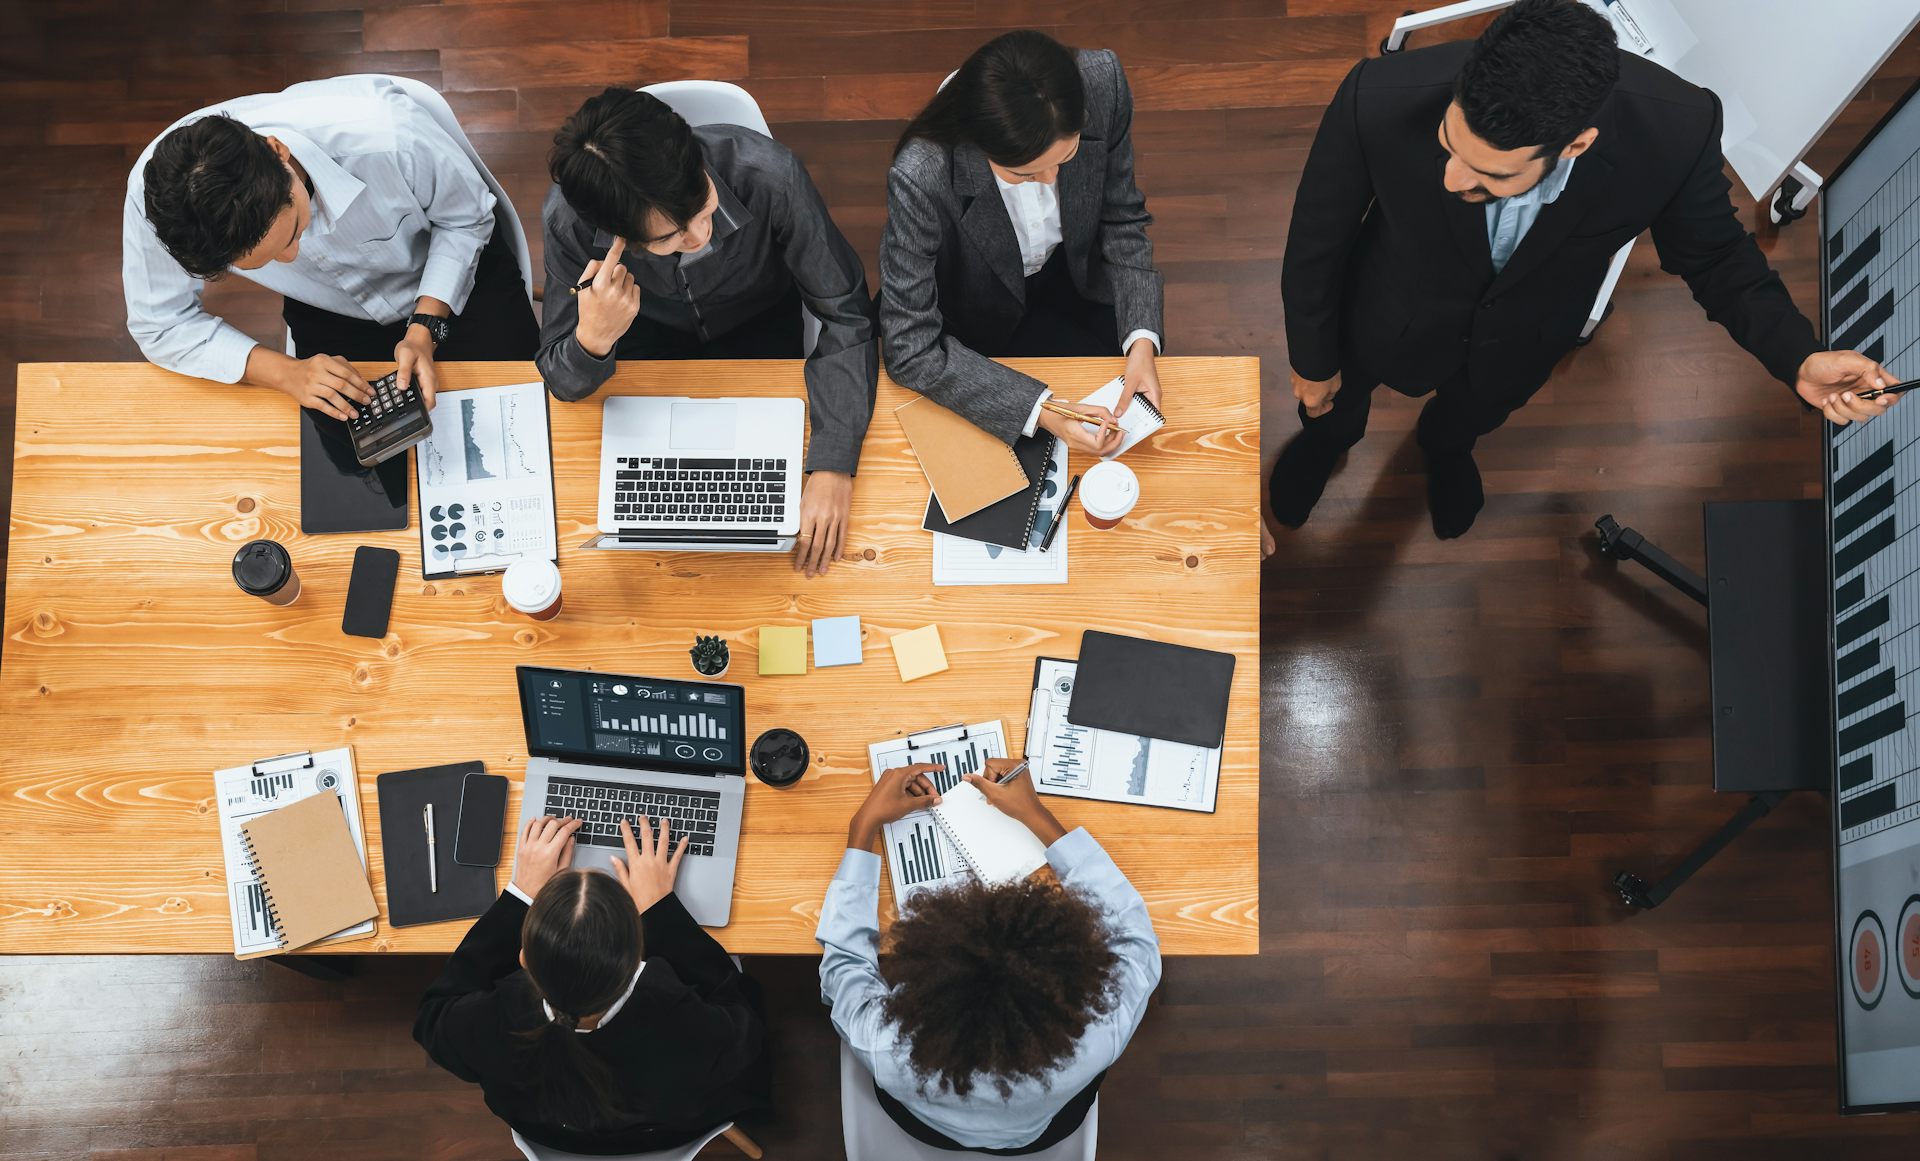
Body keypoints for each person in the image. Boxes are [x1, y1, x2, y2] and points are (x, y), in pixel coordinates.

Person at [1269, 0, 1897, 545]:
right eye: (1450, 144)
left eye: (1491, 174)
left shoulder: (1679, 130)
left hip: (1524, 338)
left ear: (1575, 144)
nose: (1453, 178)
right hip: (1387, 311)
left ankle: (1445, 447)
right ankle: (1327, 443)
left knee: (1468, 417)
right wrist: (1313, 363)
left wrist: (1797, 356)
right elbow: (1317, 241)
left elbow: (1714, 255)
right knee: (1333, 406)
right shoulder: (1377, 95)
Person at [539, 88, 878, 577]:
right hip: (644, 345)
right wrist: (592, 339)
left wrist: (833, 462)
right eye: (671, 236)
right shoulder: (569, 222)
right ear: (618, 235)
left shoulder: (770, 175)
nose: (701, 236)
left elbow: (848, 314)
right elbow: (562, 380)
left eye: (703, 206)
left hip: (761, 327)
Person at [125, 75, 539, 421]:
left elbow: (465, 220)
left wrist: (426, 327)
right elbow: (160, 324)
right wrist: (285, 372)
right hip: (330, 307)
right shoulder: (163, 203)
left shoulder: (388, 135)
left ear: (278, 152)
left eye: (292, 233)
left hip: (452, 273)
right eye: (264, 263)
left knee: (525, 412)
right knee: (348, 473)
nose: (291, 258)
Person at [818, 759, 1161, 1154]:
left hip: (928, 1128)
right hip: (1042, 1129)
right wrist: (1037, 815)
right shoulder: (1101, 1028)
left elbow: (843, 966)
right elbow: (1136, 939)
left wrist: (863, 827)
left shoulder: (888, 1046)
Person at [414, 814, 770, 1155]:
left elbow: (432, 1017)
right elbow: (746, 1014)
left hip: (553, 1136)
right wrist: (661, 911)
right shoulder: (684, 1021)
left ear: (523, 960)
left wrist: (520, 894)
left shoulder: (489, 1024)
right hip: (668, 1130)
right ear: (640, 957)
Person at [881, 30, 1164, 457]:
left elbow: (1121, 216)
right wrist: (1044, 412)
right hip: (974, 314)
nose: (1050, 181)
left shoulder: (1104, 83)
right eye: (1025, 174)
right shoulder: (921, 175)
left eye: (1066, 158)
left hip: (1076, 277)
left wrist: (1142, 339)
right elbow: (909, 347)